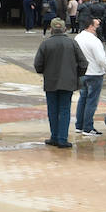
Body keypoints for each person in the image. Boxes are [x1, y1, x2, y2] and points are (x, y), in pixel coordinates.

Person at [34, 18, 84, 148]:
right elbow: (83, 63)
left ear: (51, 29)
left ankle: (54, 137)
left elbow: (38, 65)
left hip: (50, 82)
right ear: (64, 29)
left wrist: (45, 71)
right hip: (68, 82)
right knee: (65, 110)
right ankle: (62, 139)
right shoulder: (72, 43)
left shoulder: (45, 44)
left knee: (52, 110)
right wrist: (76, 74)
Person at [73, 17, 106, 137]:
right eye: (96, 26)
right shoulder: (95, 41)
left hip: (81, 72)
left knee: (82, 99)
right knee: (92, 101)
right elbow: (100, 59)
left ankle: (79, 125)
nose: (98, 28)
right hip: (94, 73)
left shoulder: (77, 38)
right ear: (90, 26)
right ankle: (88, 127)